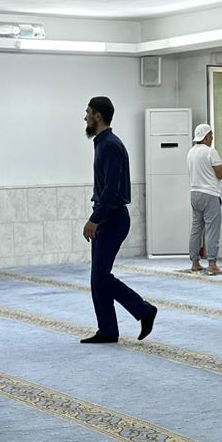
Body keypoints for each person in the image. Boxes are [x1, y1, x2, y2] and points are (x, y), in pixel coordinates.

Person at [80, 96, 157, 344]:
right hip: (107, 215)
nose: (85, 117)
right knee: (98, 277)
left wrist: (95, 219)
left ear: (98, 116)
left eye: (88, 112)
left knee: (101, 276)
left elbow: (111, 190)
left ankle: (143, 310)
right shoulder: (102, 143)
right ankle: (108, 330)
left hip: (112, 217)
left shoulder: (110, 145)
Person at [187, 123, 222, 275]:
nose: (212, 138)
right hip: (210, 194)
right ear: (206, 137)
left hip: (194, 193)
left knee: (196, 229)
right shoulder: (211, 152)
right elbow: (220, 174)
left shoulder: (191, 152)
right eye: (211, 135)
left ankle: (195, 263)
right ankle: (212, 264)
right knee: (212, 230)